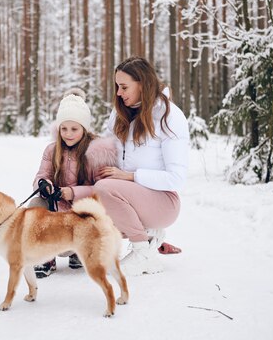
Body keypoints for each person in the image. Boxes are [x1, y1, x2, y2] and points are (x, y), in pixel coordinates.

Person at [95, 56, 189, 276]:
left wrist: (130, 176)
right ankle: (146, 234)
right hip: (126, 197)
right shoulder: (119, 115)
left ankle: (143, 252)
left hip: (163, 202)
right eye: (117, 86)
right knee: (91, 194)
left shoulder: (169, 117)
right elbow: (108, 155)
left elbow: (176, 178)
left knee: (103, 189)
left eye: (124, 86)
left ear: (143, 84)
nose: (118, 93)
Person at [30, 89, 118, 278]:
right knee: (35, 206)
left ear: (84, 129)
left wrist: (72, 193)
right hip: (57, 211)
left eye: (74, 129)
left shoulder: (97, 152)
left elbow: (104, 189)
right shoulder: (52, 150)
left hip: (83, 216)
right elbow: (41, 175)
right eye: (64, 129)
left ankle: (81, 251)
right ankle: (46, 256)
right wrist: (43, 184)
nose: (68, 134)